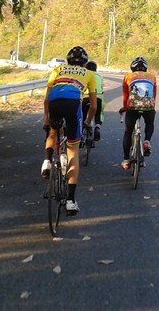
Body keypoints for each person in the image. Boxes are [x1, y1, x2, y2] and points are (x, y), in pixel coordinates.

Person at [42, 46, 97, 213]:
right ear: (85, 62)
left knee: (53, 132)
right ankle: (71, 201)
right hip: (73, 103)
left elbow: (46, 99)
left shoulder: (58, 69)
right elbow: (93, 106)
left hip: (55, 100)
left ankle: (47, 162)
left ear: (68, 61)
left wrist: (46, 120)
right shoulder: (89, 74)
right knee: (73, 150)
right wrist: (87, 122)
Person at [119, 56, 157, 170]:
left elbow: (126, 95)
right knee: (149, 124)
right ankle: (147, 141)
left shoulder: (128, 77)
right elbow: (153, 94)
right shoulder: (152, 77)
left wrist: (124, 108)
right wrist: (152, 107)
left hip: (132, 107)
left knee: (128, 132)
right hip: (148, 106)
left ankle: (126, 160)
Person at [82, 60, 104, 143]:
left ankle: (81, 132)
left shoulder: (84, 75)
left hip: (85, 96)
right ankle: (97, 126)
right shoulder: (100, 76)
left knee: (83, 114)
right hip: (98, 96)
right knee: (99, 113)